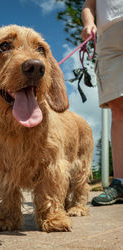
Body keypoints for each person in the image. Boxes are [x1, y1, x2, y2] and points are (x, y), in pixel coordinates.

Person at [81, 0, 123, 206]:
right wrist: (89, 23)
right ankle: (120, 182)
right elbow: (89, 4)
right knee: (117, 109)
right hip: (107, 38)